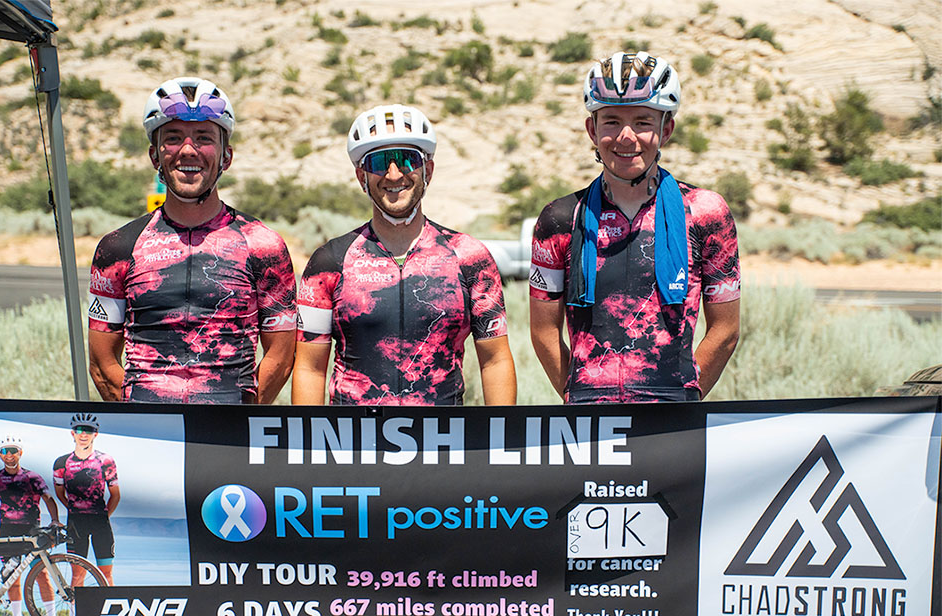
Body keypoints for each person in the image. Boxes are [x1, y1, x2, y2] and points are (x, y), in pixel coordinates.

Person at [530, 51, 740, 404]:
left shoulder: (706, 214)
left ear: (666, 129)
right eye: (611, 121)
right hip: (588, 419)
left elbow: (726, 329)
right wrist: (577, 394)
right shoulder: (559, 218)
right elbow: (543, 331)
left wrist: (686, 395)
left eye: (643, 122)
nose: (626, 137)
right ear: (591, 130)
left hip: (672, 418)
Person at [87, 76, 297, 404]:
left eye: (203, 138)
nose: (188, 150)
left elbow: (281, 359)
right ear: (155, 156)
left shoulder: (264, 246)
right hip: (149, 436)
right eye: (173, 138)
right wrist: (141, 420)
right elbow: (102, 364)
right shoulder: (117, 247)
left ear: (226, 157)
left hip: (227, 438)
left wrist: (234, 421)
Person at [293, 104, 516, 407]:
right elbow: (309, 368)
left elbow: (495, 360)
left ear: (429, 171)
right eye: (380, 162)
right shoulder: (329, 262)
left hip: (443, 443)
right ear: (362, 176)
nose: (394, 173)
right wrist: (311, 449)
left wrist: (498, 443)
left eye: (407, 159)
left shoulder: (470, 258)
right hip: (352, 446)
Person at [0, 436, 58, 616]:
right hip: (7, 529)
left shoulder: (32, 477)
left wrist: (54, 519)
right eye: (4, 451)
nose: (8, 454)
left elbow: (48, 499)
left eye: (13, 450)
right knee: (12, 576)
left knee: (42, 574)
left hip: (32, 530)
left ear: (20, 452)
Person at [53, 413, 119, 586]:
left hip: (100, 523)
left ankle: (109, 609)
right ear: (72, 433)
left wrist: (104, 515)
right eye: (79, 430)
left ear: (95, 434)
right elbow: (60, 493)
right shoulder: (61, 463)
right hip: (76, 524)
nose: (83, 435)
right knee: (77, 575)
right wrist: (75, 509)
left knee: (106, 574)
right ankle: (76, 613)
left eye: (88, 431)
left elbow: (116, 495)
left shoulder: (106, 460)